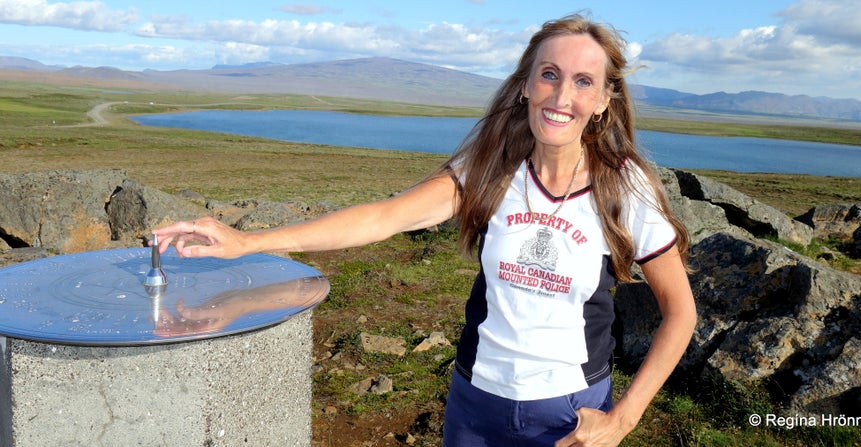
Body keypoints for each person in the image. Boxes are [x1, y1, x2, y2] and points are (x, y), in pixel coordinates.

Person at [152, 13, 696, 447]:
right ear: (526, 85)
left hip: (569, 415)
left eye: (583, 82)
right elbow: (383, 217)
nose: (561, 95)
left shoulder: (624, 188)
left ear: (603, 101)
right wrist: (248, 242)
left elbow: (680, 313)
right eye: (549, 74)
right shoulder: (488, 169)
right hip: (474, 402)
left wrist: (622, 420)